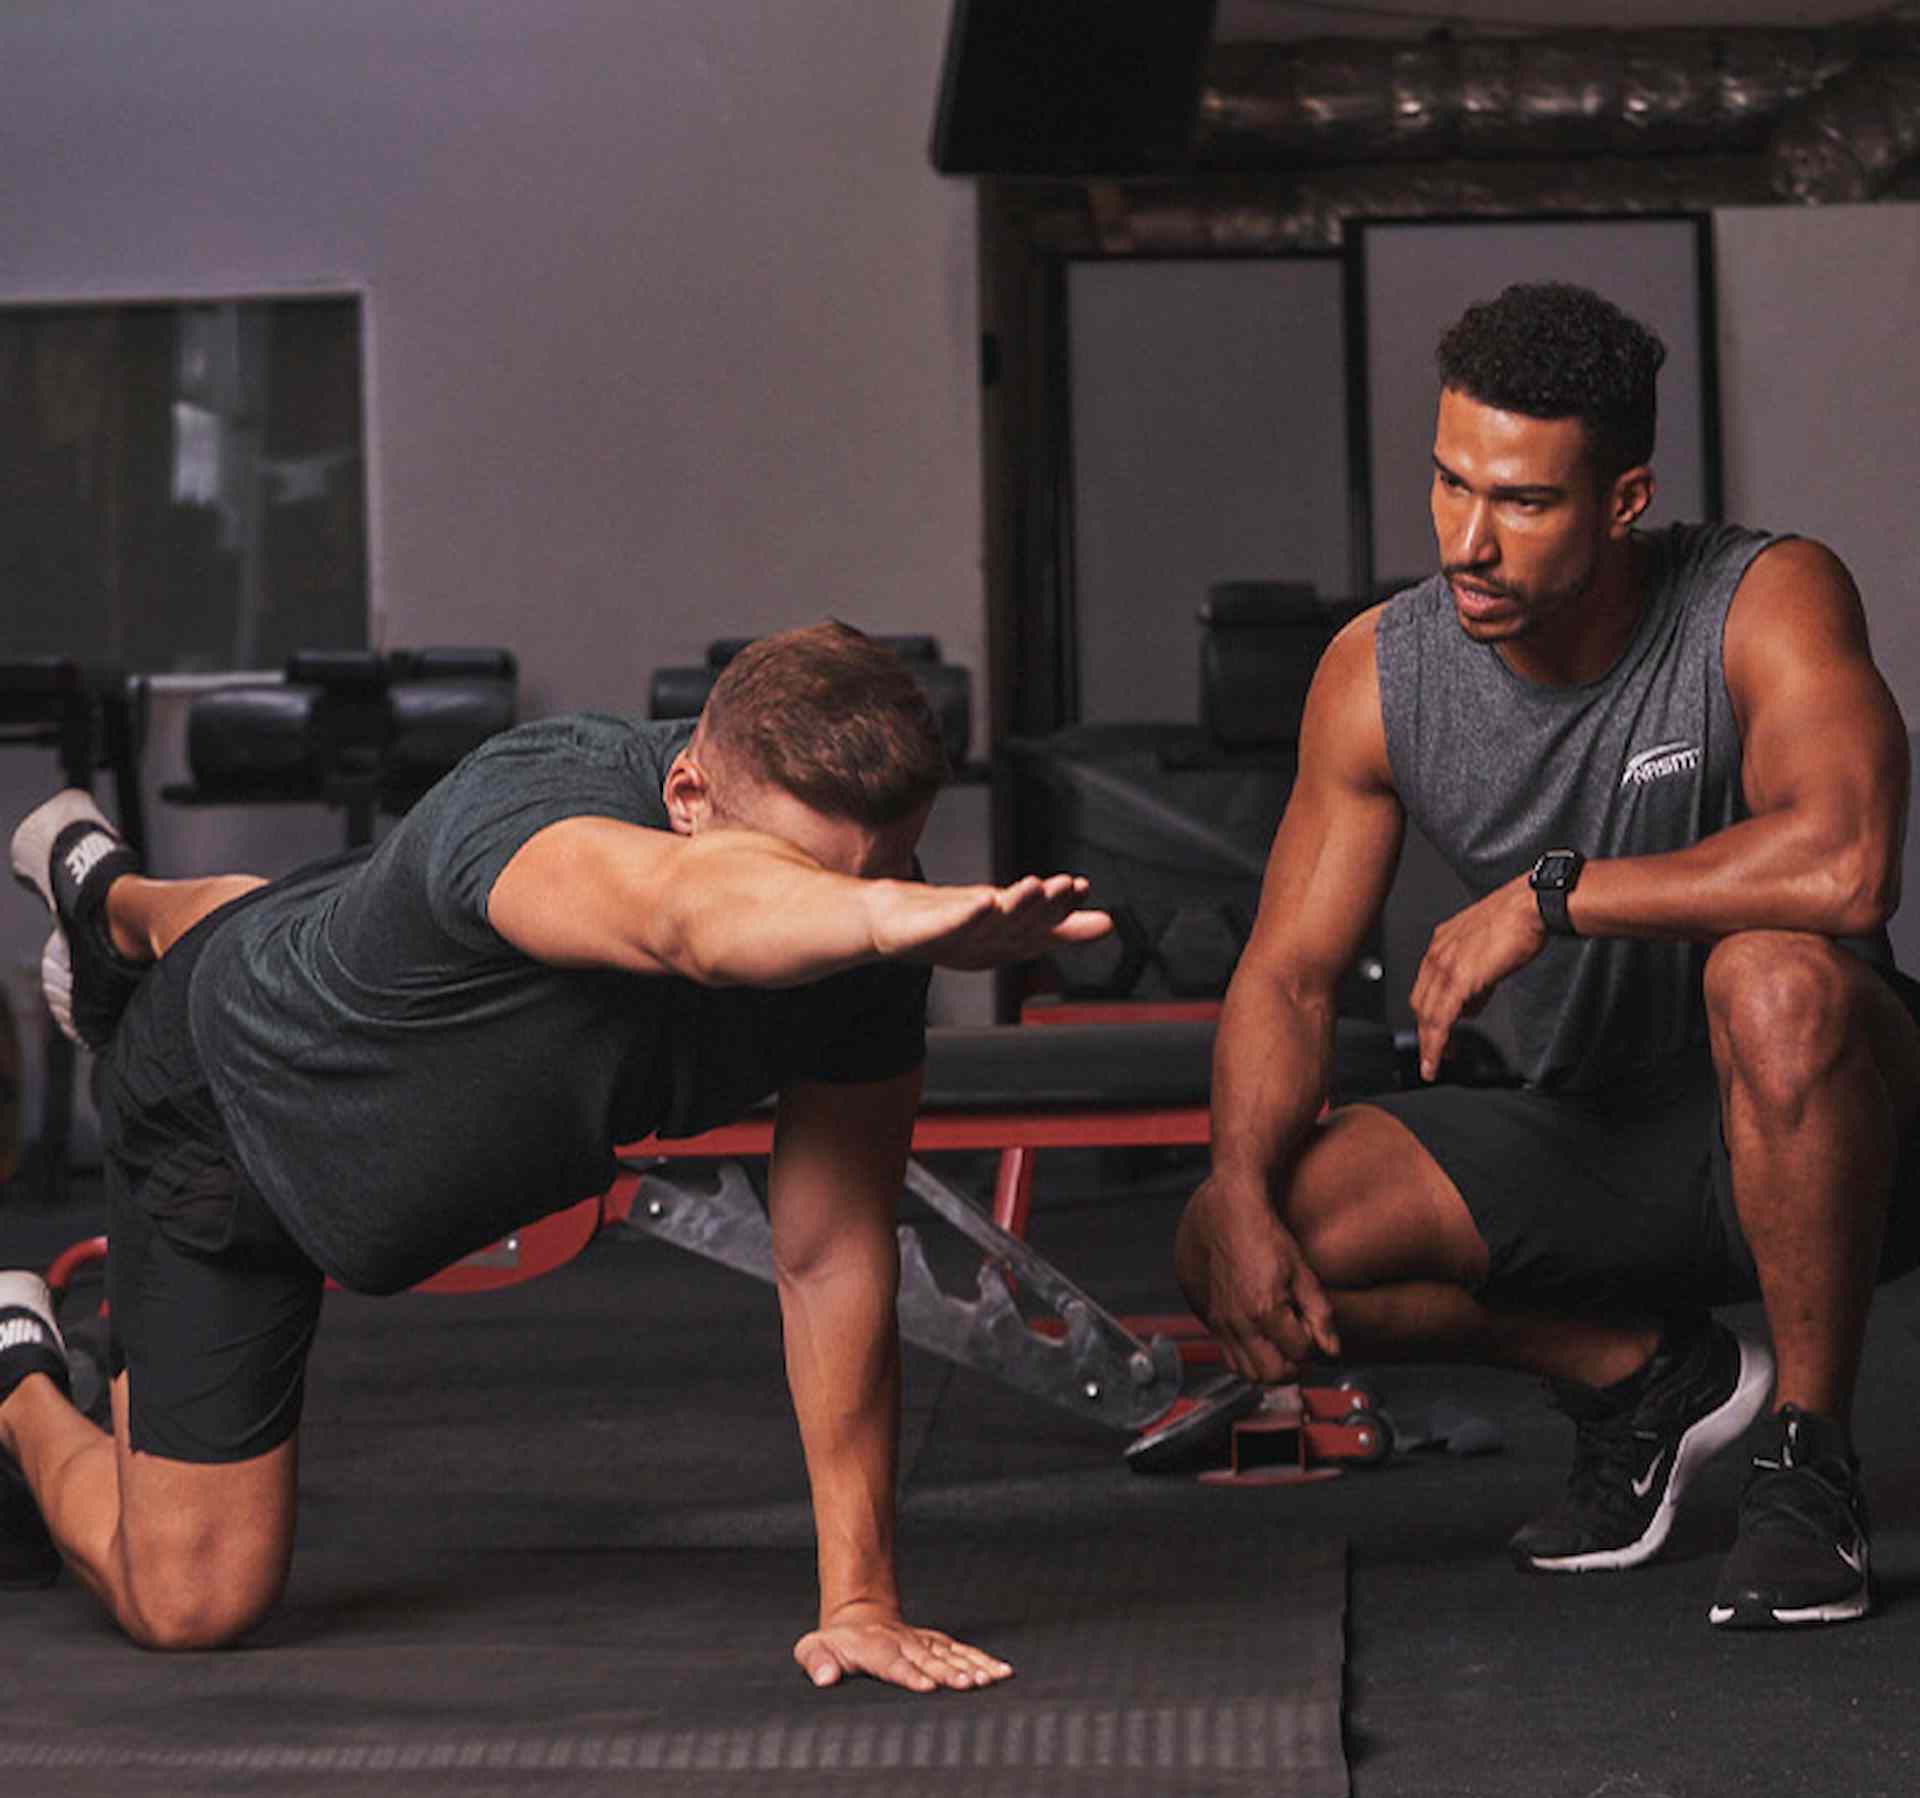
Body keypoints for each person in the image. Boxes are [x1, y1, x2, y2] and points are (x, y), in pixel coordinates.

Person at [0, 622, 1110, 1686]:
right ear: (685, 796)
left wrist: (860, 1598)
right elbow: (688, 916)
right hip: (223, 1114)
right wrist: (874, 918)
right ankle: (16, 1366)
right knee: (192, 1601)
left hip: (339, 974)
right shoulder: (542, 812)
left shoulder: (873, 937)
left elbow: (831, 1250)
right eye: (813, 880)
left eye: (887, 871)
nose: (858, 908)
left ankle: (110, 903)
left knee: (331, 920)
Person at [1176, 281, 1920, 1629]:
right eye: (1451, 484)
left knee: (1773, 974)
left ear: (1624, 500)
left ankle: (1808, 1461)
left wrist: (1554, 896)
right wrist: (1233, 1180)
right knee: (1254, 1228)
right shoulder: (1379, 675)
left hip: (1850, 1123)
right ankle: (1640, 1375)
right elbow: (1284, 976)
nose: (1470, 539)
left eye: (1522, 503)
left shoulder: (1764, 597)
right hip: (1595, 1136)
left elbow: (1848, 859)